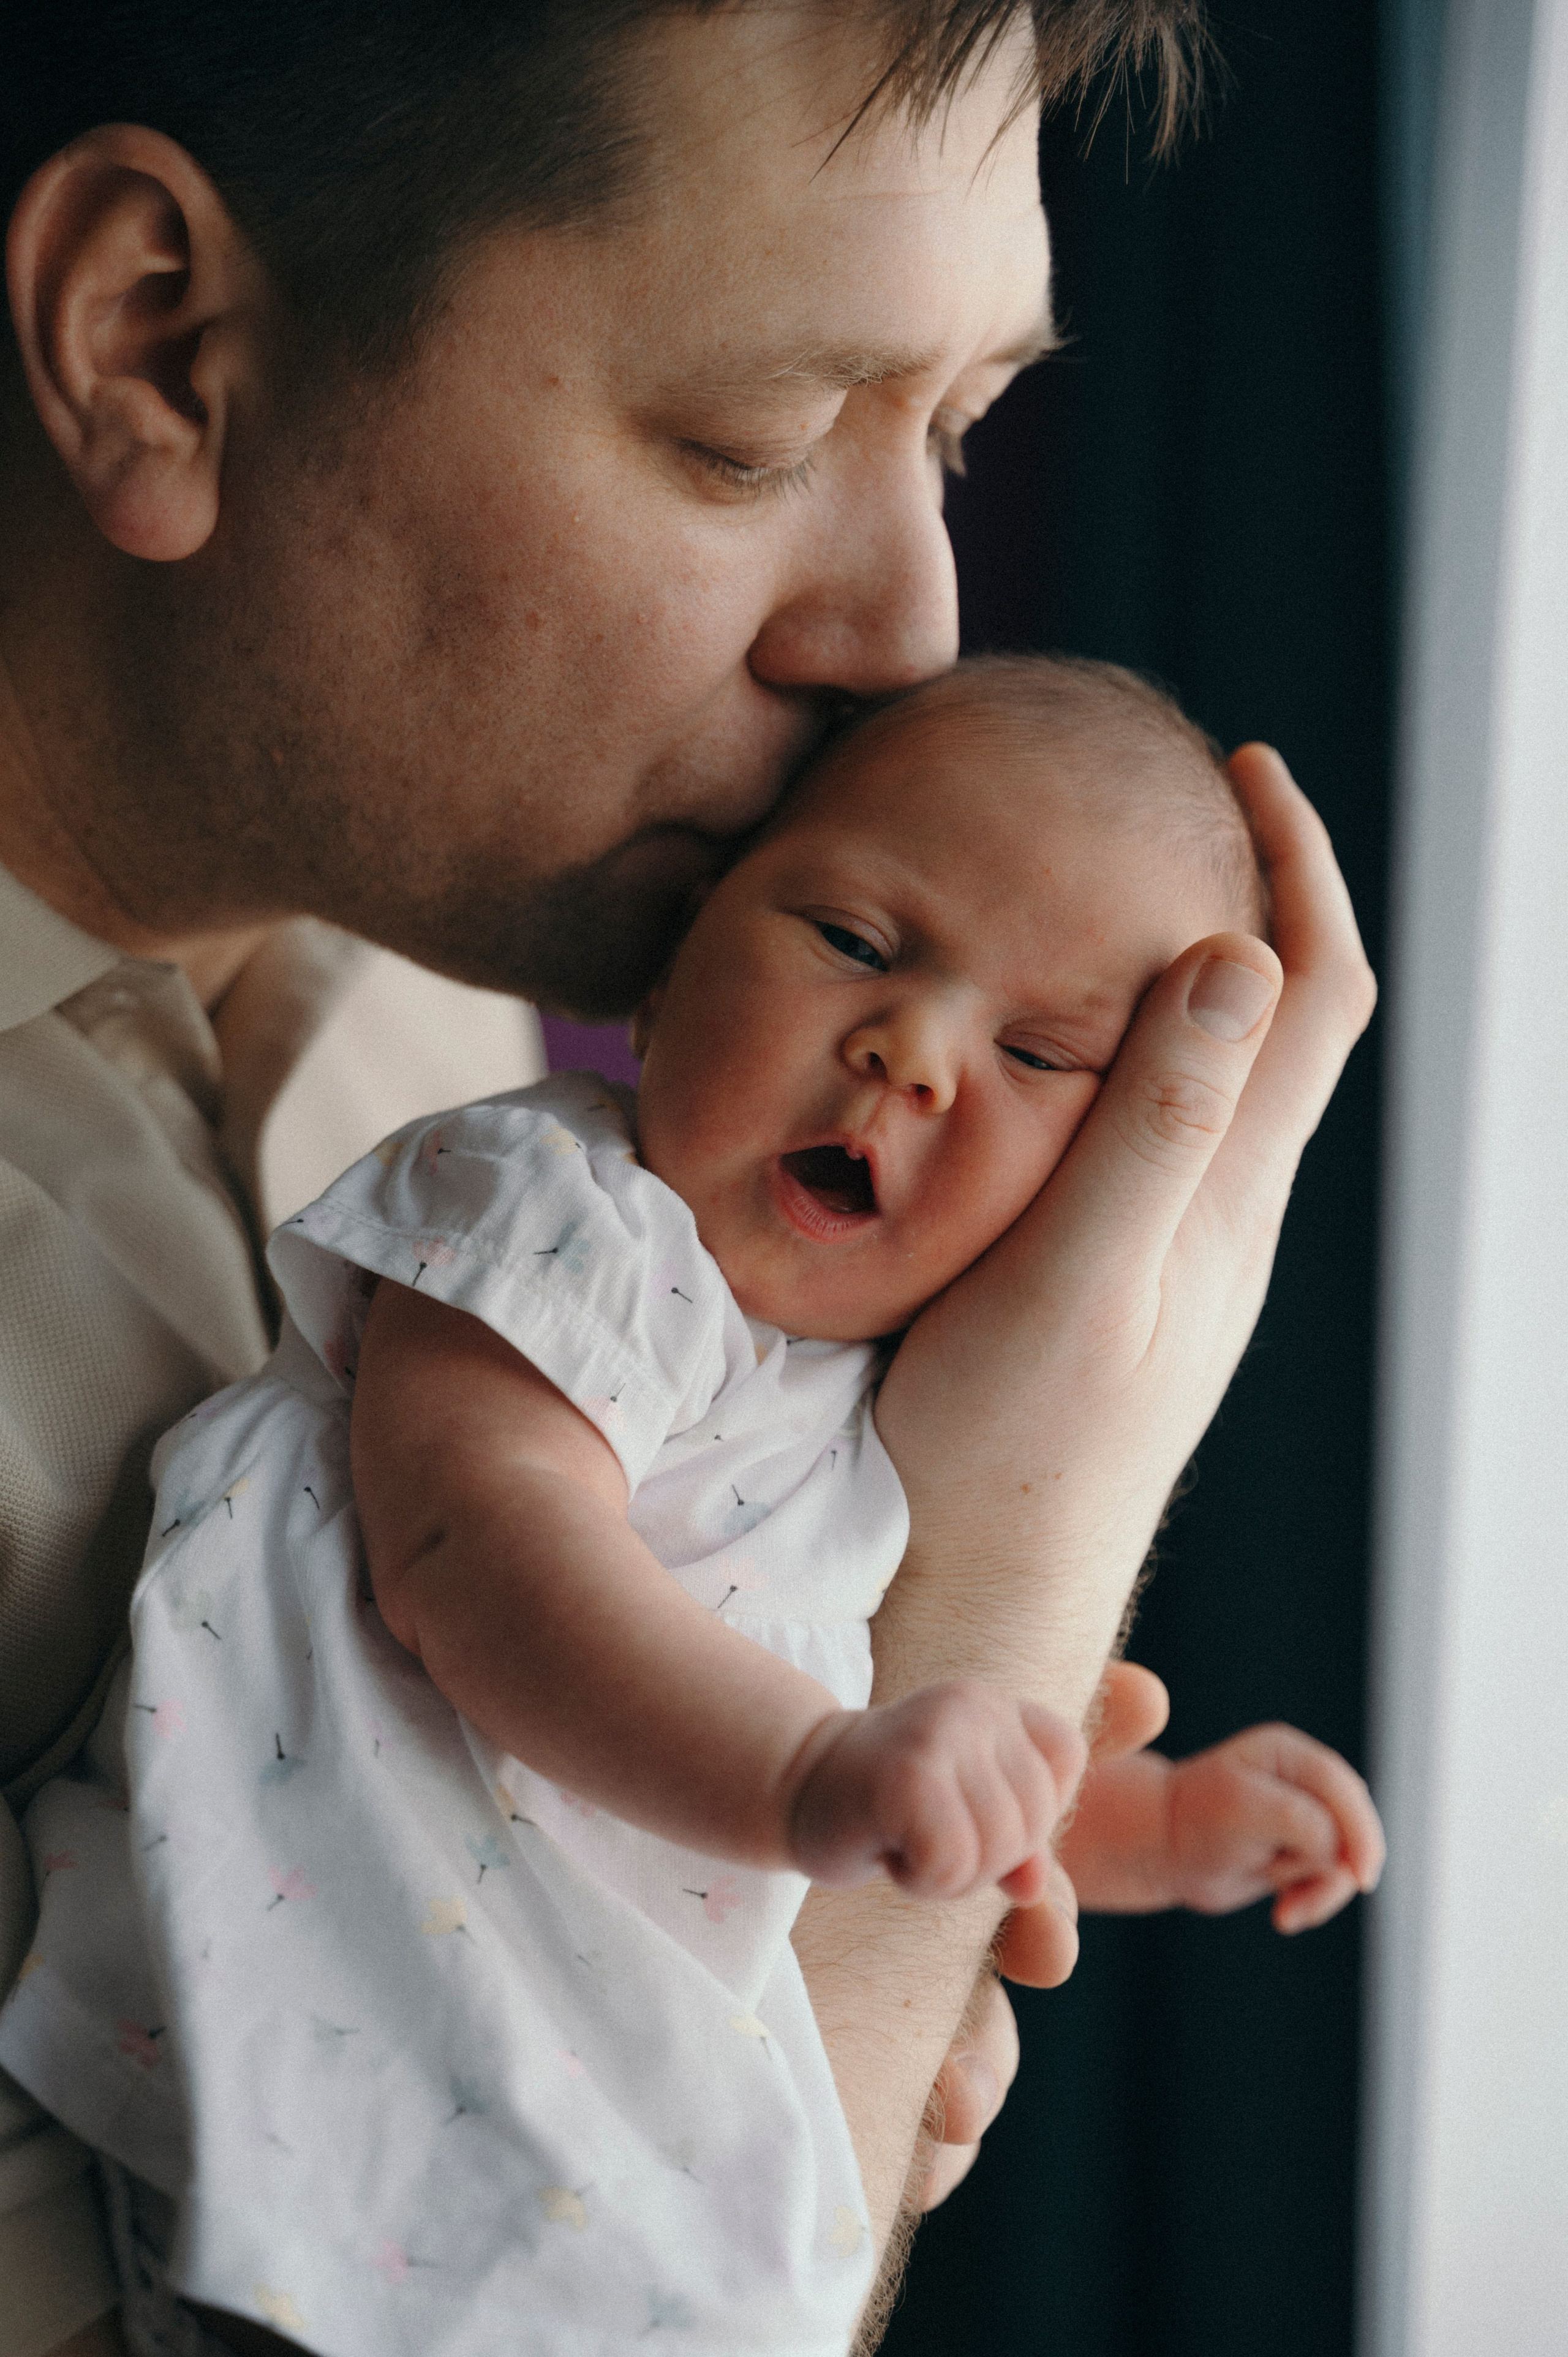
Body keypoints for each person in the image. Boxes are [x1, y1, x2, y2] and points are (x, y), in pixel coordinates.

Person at [0, 7, 1378, 2354]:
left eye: (958, 431)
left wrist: (808, 1997)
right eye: (749, 440)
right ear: (157, 344)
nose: (915, 637)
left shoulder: (520, 1065)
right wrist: (1025, 1542)